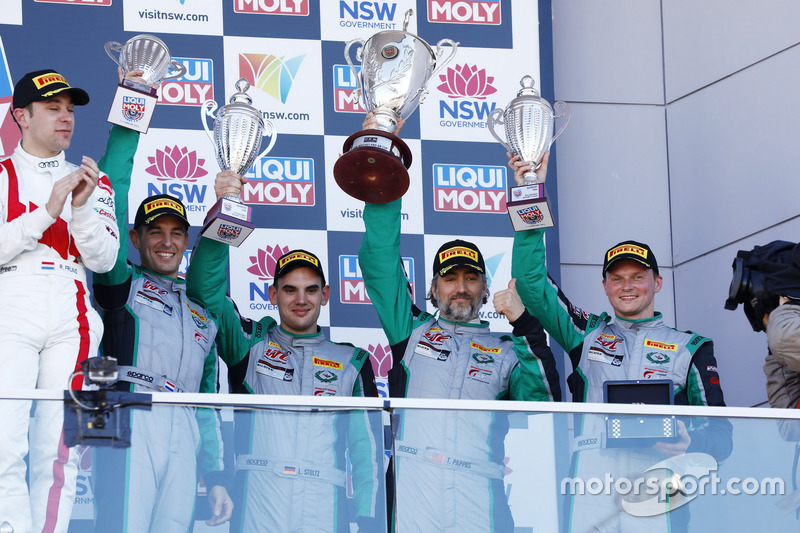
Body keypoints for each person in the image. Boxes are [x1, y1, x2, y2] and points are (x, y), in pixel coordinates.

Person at [356, 114, 561, 531]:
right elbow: (379, 262)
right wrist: (385, 164)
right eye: (450, 279)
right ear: (432, 290)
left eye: (471, 278)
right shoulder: (409, 331)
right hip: (414, 496)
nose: (461, 288)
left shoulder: (508, 350)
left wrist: (525, 327)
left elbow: (543, 401)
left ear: (486, 290)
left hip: (479, 503)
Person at [508, 153, 732, 531]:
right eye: (617, 277)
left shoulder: (689, 347)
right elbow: (530, 281)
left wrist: (689, 443)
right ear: (605, 286)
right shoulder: (585, 330)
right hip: (590, 492)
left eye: (637, 276)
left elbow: (723, 436)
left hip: (661, 490)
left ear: (657, 283)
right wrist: (530, 190)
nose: (627, 285)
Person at [186, 170, 384, 533]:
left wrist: (370, 521)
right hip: (258, 506)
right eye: (289, 289)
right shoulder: (249, 341)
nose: (301, 299)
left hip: (326, 509)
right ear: (273, 295)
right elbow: (204, 290)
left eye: (311, 290)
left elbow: (366, 449)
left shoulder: (352, 360)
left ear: (325, 296)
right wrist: (224, 212)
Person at [0, 69, 119, 533]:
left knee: (62, 451)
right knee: (4, 443)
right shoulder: (1, 173)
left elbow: (105, 259)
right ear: (21, 117)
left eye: (69, 108)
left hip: (75, 314)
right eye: (53, 108)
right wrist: (46, 212)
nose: (65, 117)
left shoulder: (94, 179)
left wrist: (82, 207)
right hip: (10, 305)